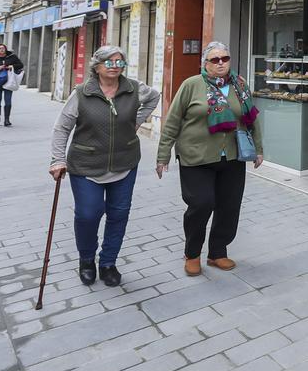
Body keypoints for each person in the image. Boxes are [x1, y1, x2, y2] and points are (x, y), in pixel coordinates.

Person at [49, 45, 160, 287]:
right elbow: (62, 128)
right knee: (89, 214)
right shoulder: (82, 92)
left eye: (120, 62)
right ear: (97, 66)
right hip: (86, 165)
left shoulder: (133, 88)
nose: (115, 67)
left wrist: (135, 122)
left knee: (119, 214)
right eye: (109, 62)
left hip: (125, 163)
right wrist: (58, 160)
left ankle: (108, 262)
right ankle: (87, 259)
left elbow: (154, 97)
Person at [157, 41, 264, 277]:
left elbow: (250, 120)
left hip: (233, 156)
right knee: (201, 203)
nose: (221, 63)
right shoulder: (191, 85)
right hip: (196, 157)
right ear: (205, 63)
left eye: (224, 59)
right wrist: (163, 154)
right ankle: (192, 253)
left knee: (229, 206)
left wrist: (258, 148)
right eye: (215, 60)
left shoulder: (239, 85)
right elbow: (173, 120)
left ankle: (217, 252)